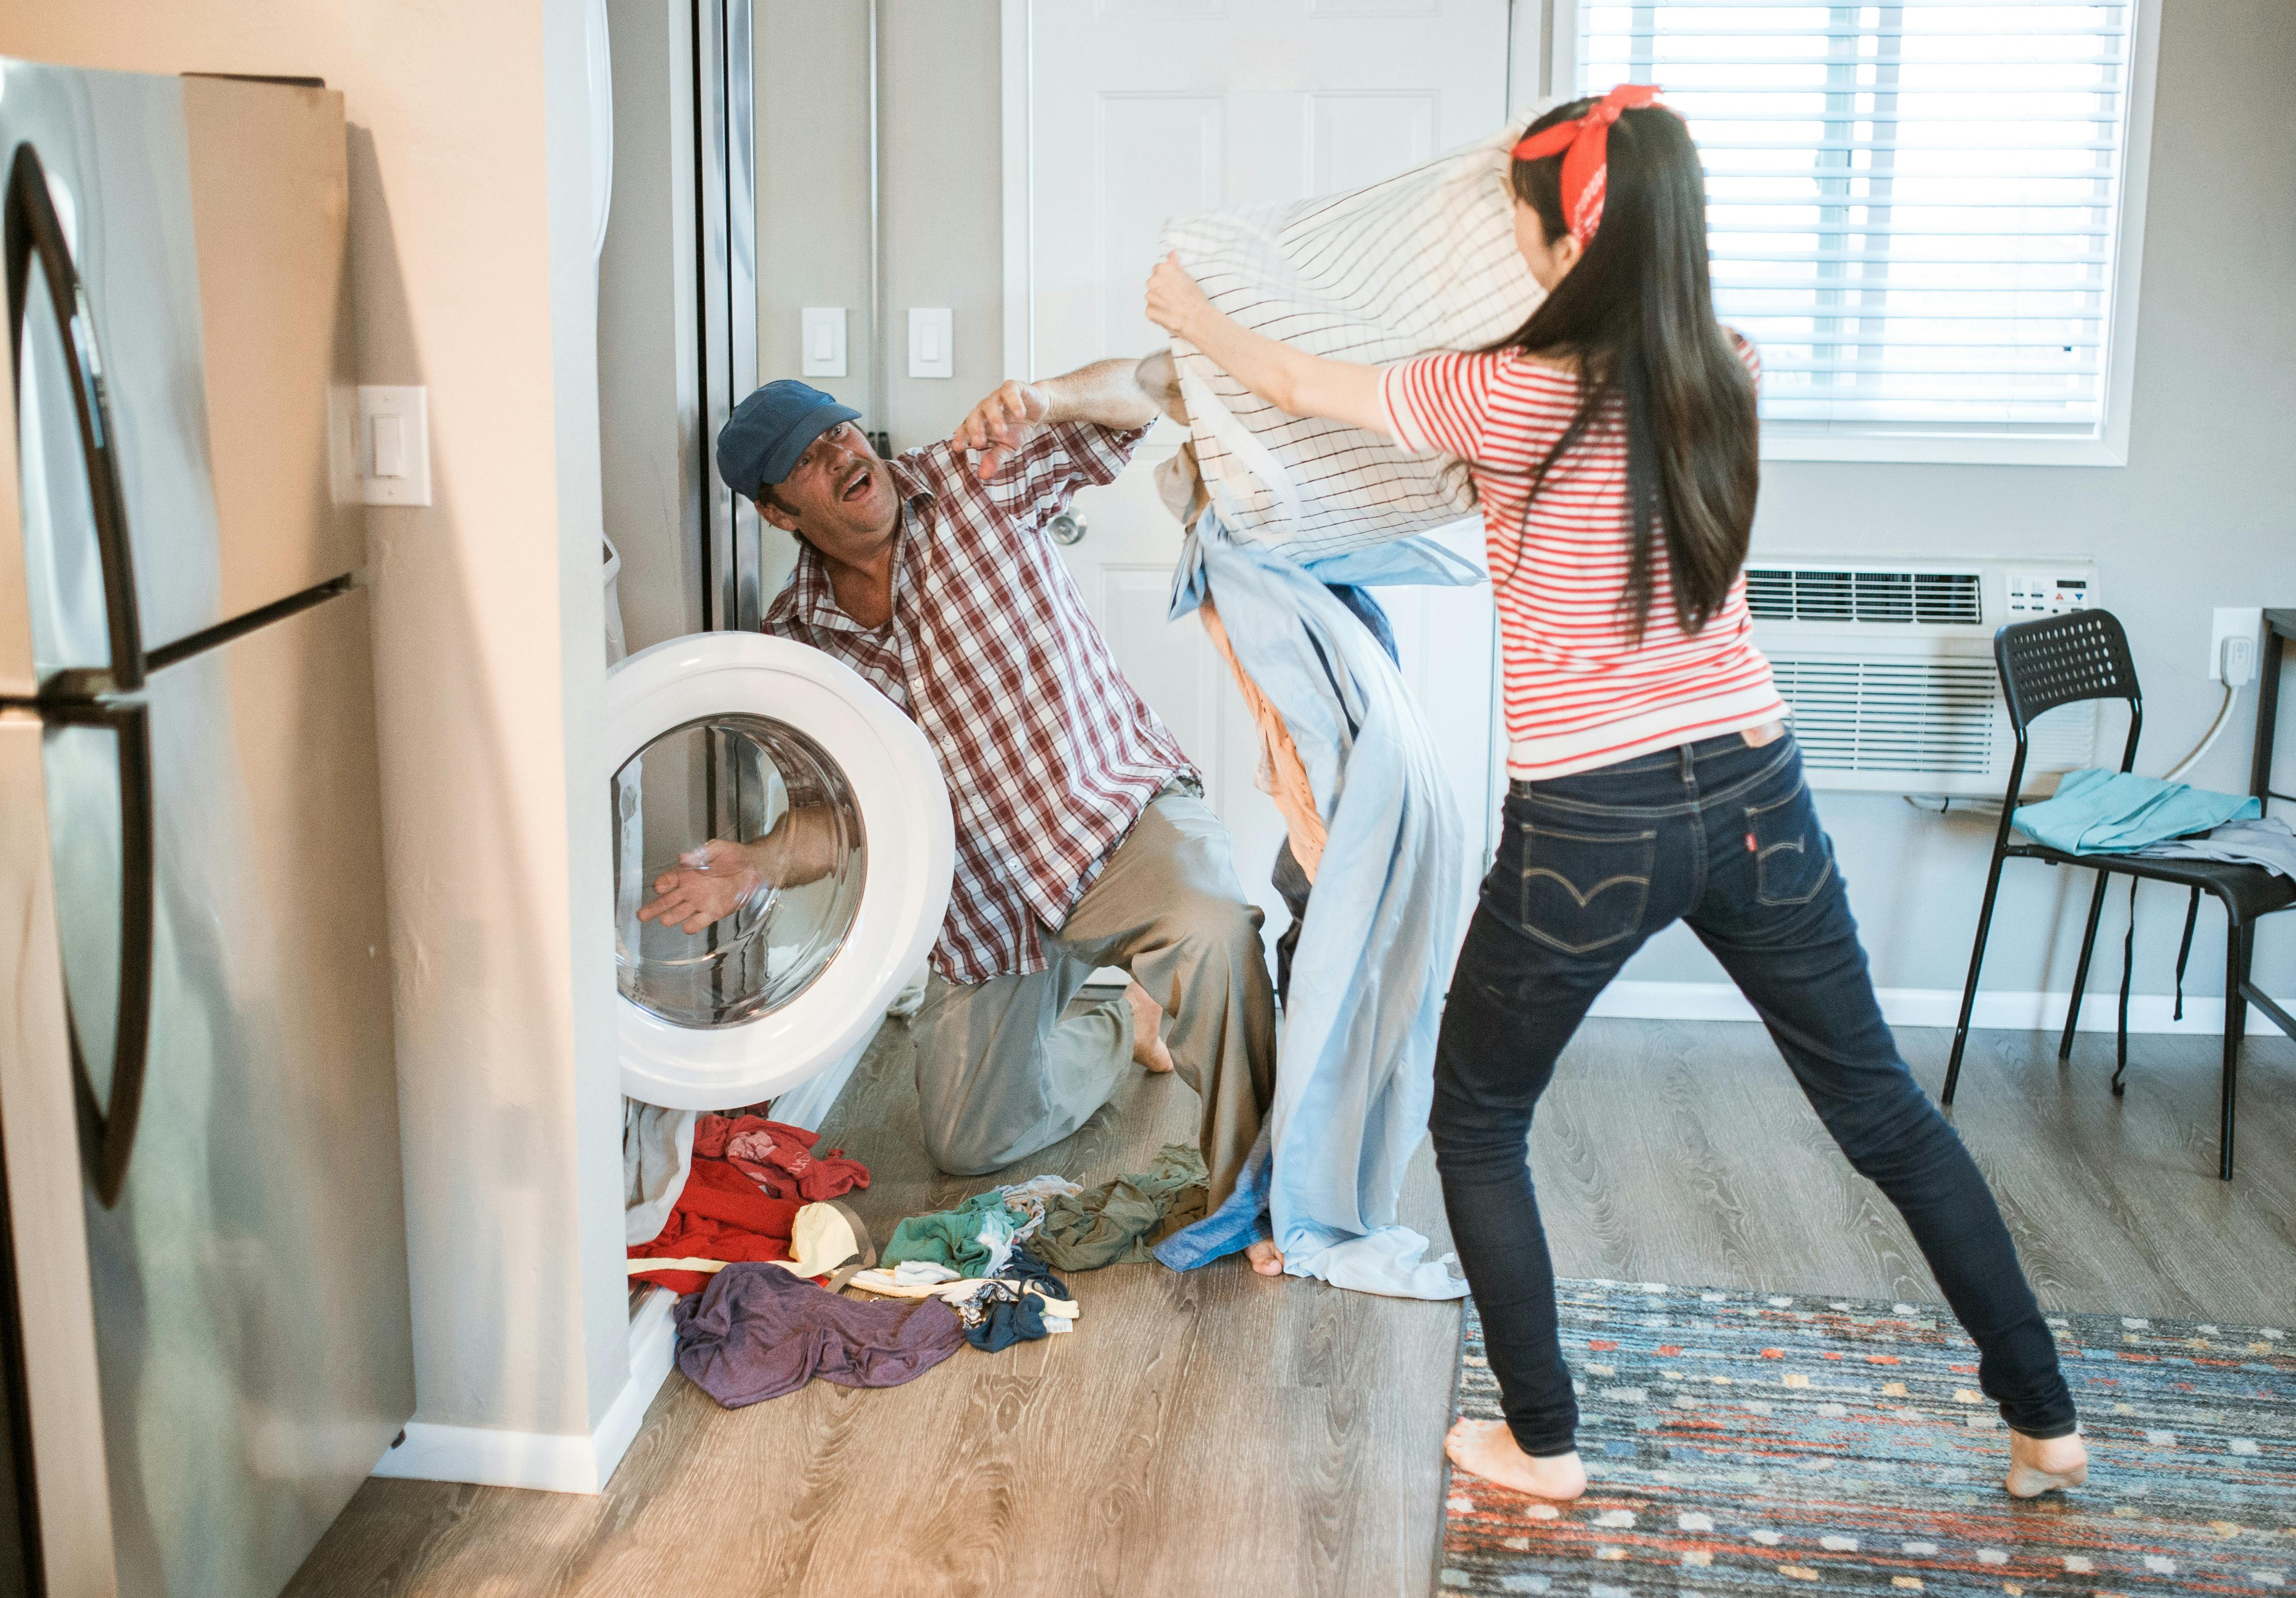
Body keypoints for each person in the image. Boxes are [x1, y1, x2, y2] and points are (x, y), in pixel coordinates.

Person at [1144, 87, 2087, 1496]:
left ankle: (1539, 1439)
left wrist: (1191, 311)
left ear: (1564, 238)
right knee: (1882, 1109)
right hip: (1758, 784)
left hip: (1592, 813)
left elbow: (1292, 390)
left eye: (1518, 224)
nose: (1506, 245)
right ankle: (2043, 1417)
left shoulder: (1506, 391)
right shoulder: (1729, 365)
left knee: (1475, 1115)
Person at [644, 362, 1283, 1275]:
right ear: (780, 514)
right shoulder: (800, 644)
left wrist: (1046, 398)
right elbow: (837, 819)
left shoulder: (969, 481)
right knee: (966, 1143)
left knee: (1214, 932)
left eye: (840, 432)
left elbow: (1152, 391)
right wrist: (754, 864)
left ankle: (1258, 1200)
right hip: (988, 904)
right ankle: (1121, 1025)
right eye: (807, 461)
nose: (840, 455)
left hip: (1113, 826)